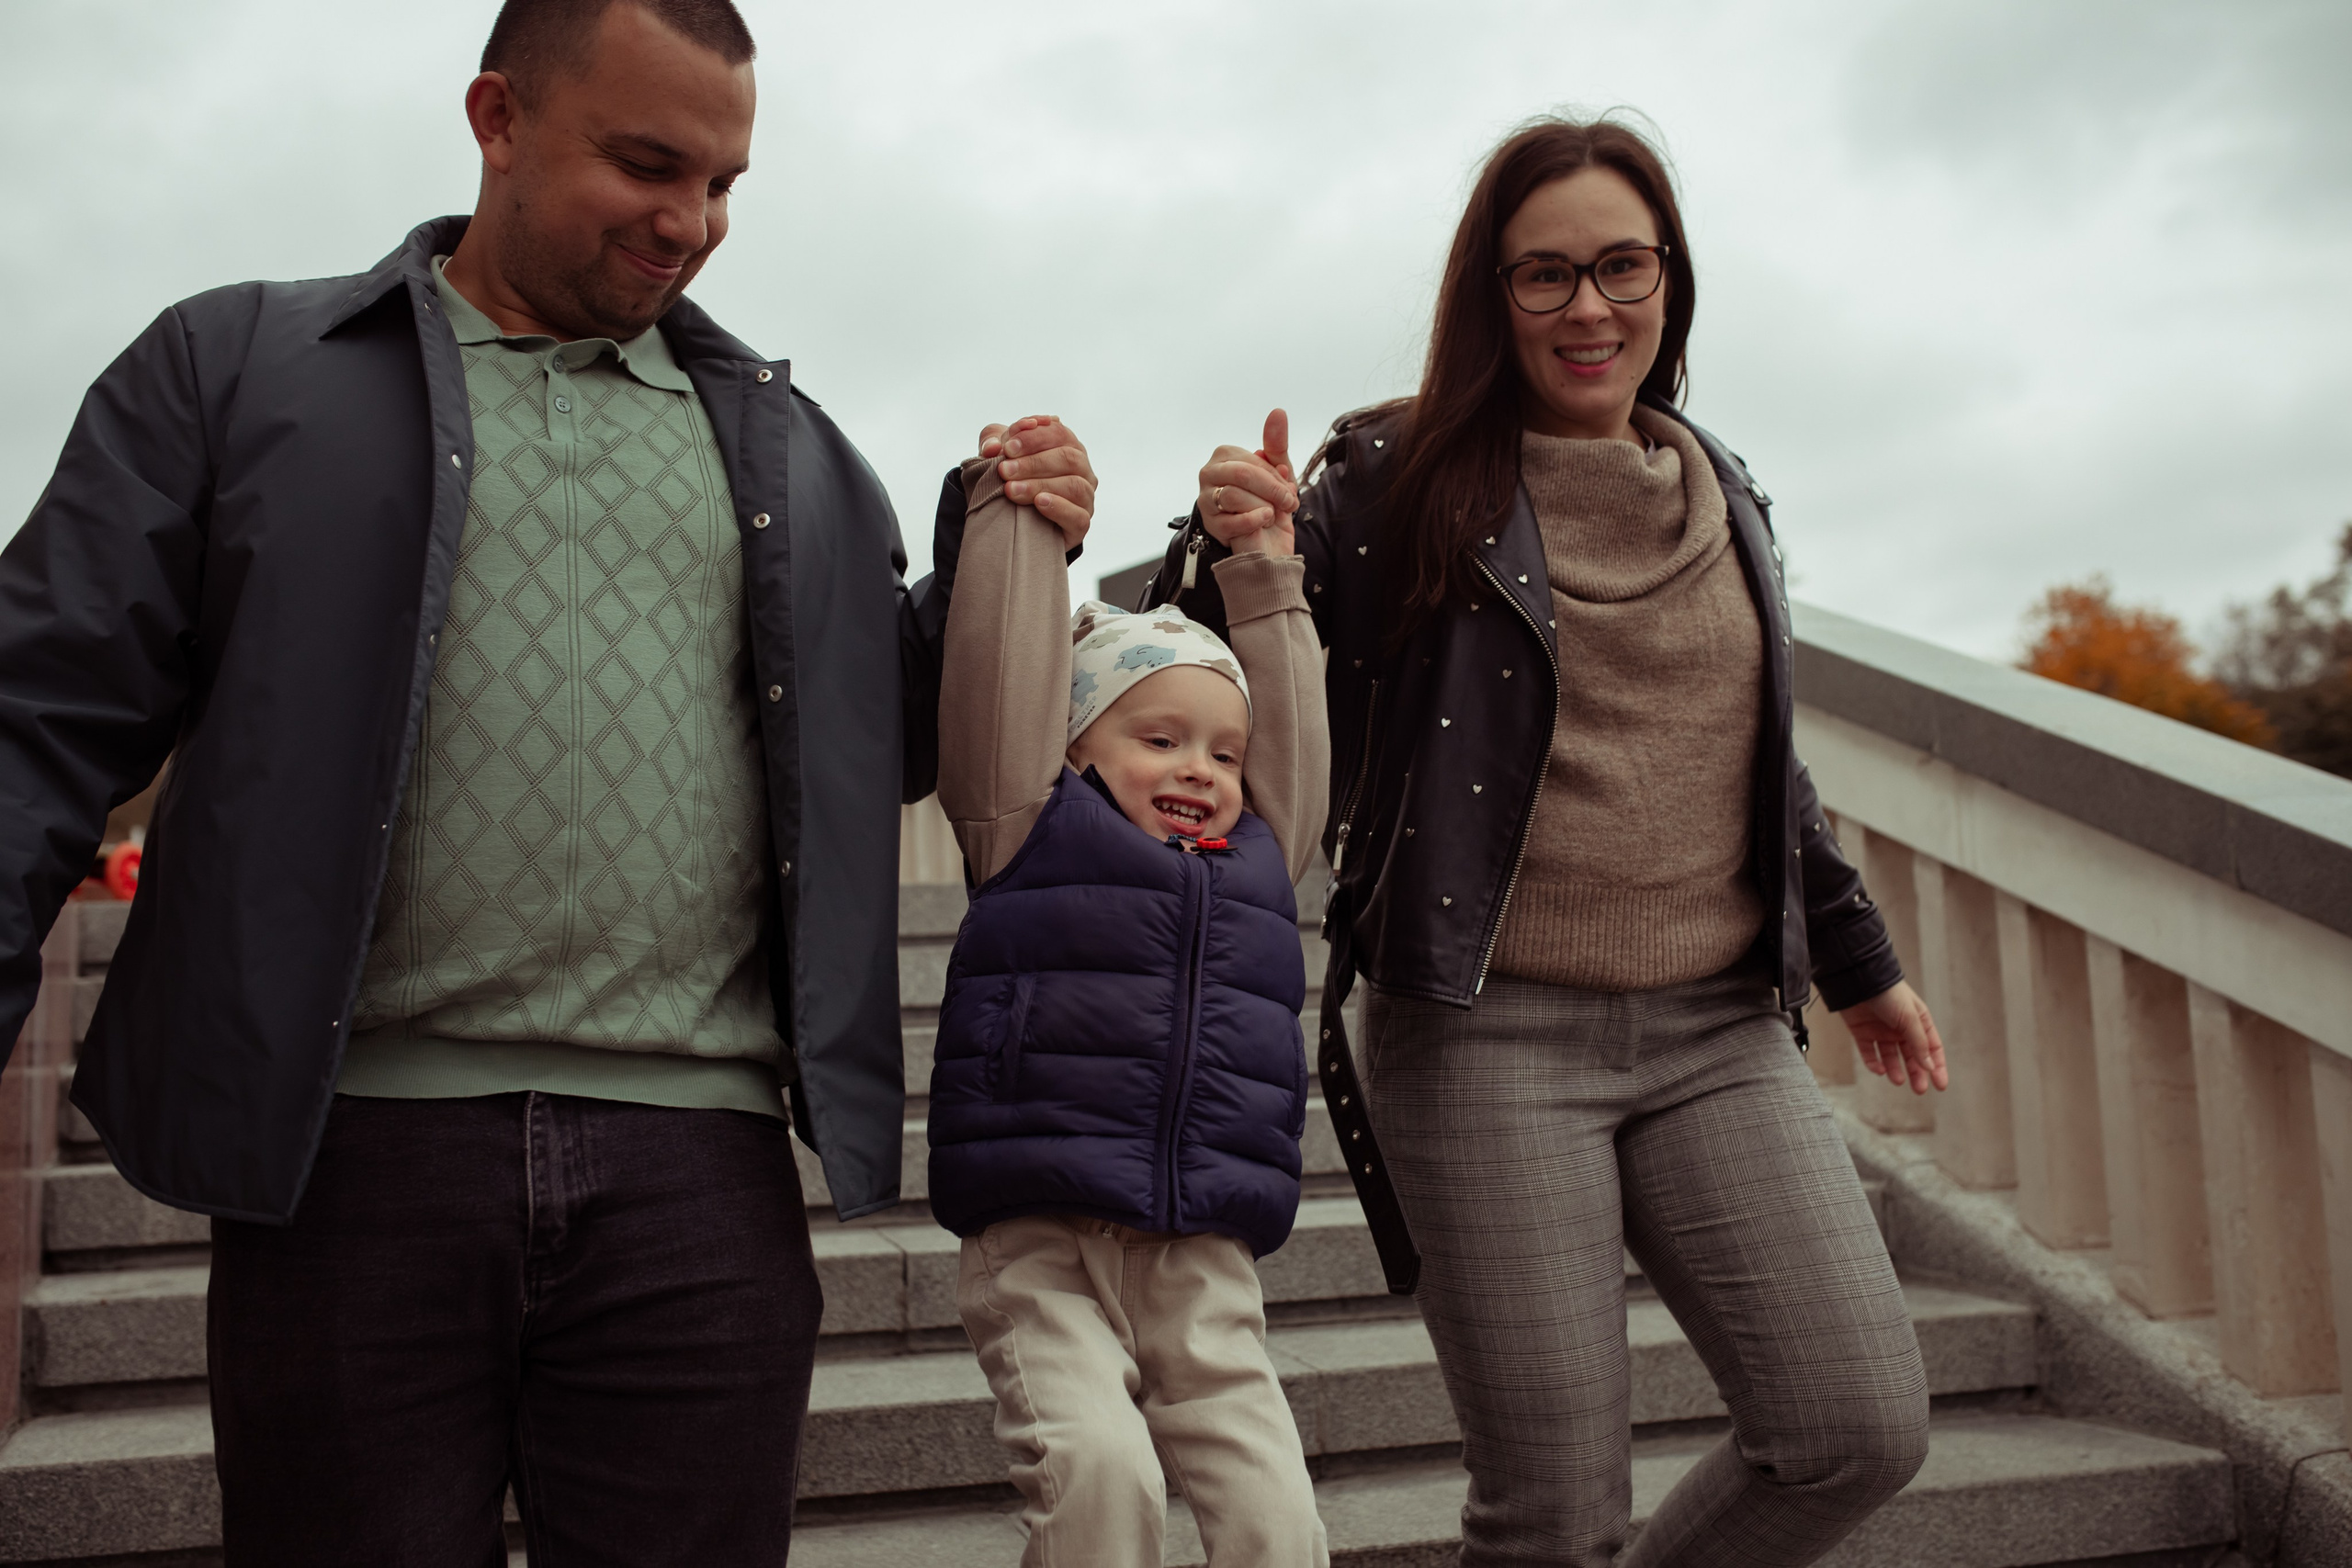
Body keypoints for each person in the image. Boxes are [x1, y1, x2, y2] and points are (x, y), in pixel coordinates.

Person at [0, 1, 1097, 1562]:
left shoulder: (796, 453)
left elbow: (881, 749)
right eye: (648, 163)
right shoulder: (235, 367)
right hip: (352, 1163)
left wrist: (1004, 538)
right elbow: (38, 714)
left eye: (723, 183)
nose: (690, 221)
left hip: (699, 1176)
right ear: (497, 117)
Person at [1154, 116, 1951, 1567]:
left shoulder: (1726, 489)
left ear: (1670, 280)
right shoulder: (1394, 477)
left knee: (1853, 1423)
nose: (1590, 307)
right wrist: (1235, 551)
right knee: (1550, 1513)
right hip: (1486, 1037)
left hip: (1720, 1029)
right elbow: (1212, 689)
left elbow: (1762, 764)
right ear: (1493, 296)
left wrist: (1858, 960)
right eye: (1545, 276)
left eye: (1622, 267)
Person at [926, 446, 1331, 1565]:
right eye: (1157, 740)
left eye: (1222, 749)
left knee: (1276, 1515)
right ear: (1074, 744)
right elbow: (1004, 682)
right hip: (1040, 1235)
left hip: (1200, 1249)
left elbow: (1291, 724)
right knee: (1101, 1476)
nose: (1199, 767)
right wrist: (1021, 525)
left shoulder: (1260, 856)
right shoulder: (1026, 821)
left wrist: (1261, 566)